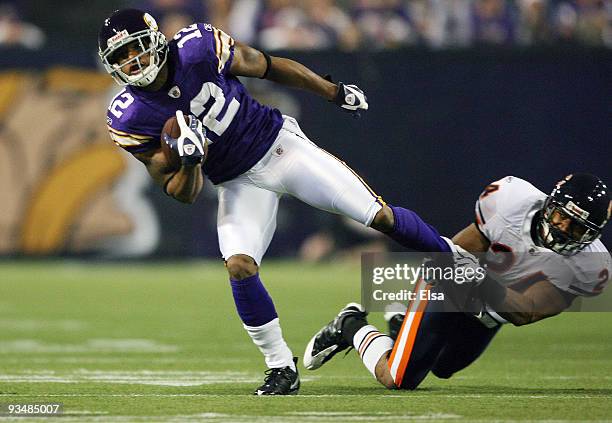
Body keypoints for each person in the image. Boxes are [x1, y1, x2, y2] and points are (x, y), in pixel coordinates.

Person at [98, 8, 457, 395]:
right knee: (238, 264)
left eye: (135, 50)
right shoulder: (129, 116)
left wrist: (333, 91)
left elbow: (266, 66)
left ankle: (457, 262)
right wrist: (188, 161)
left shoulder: (197, 48)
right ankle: (280, 366)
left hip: (280, 147)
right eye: (120, 58)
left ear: (155, 41)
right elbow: (180, 192)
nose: (131, 62)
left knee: (378, 215)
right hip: (236, 181)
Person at [304, 173, 611, 390]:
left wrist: (480, 282)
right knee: (399, 377)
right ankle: (350, 324)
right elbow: (454, 254)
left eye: (578, 228)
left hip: (492, 310)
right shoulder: (510, 202)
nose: (564, 229)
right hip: (451, 281)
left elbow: (525, 312)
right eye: (562, 217)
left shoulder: (591, 267)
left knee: (443, 367)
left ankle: (401, 320)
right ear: (550, 204)